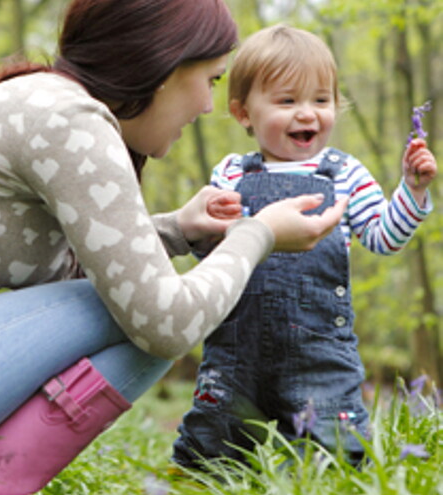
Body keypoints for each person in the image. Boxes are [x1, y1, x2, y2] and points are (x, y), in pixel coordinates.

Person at [0, 4, 346, 494]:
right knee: (152, 317)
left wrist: (178, 228)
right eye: (211, 81)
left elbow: (57, 276)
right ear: (163, 68)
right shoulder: (70, 121)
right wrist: (259, 234)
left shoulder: (42, 104)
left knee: (142, 299)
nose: (205, 106)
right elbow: (165, 324)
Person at [173, 24, 438, 470]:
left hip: (321, 352)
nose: (307, 114)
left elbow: (384, 237)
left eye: (321, 100)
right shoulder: (230, 174)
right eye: (287, 101)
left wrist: (411, 192)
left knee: (339, 451)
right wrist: (209, 226)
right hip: (236, 352)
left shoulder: (346, 173)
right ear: (243, 113)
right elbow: (212, 254)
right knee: (212, 446)